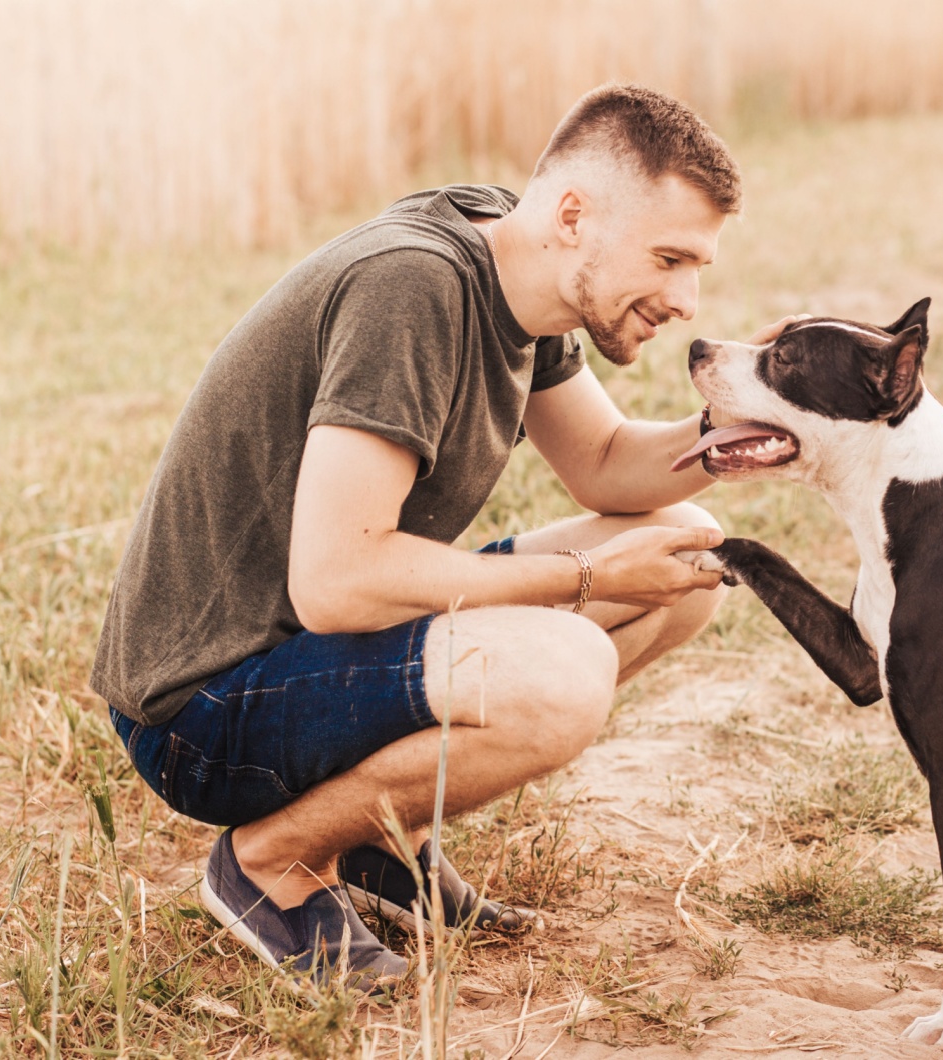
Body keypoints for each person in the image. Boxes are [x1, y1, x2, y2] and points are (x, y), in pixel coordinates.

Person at [92, 83, 787, 988]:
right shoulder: (412, 287)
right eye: (668, 258)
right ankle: (273, 864)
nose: (687, 299)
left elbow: (608, 461)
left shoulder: (513, 255)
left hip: (316, 651)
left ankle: (383, 843)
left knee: (687, 541)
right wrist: (583, 576)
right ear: (573, 215)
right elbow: (337, 578)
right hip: (202, 708)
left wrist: (734, 427)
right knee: (562, 675)